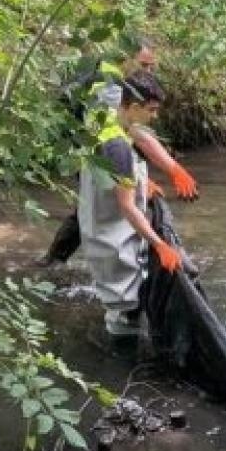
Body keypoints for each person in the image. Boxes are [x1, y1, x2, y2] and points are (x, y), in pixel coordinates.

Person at [40, 36, 199, 265]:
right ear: (126, 59)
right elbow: (127, 134)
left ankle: (66, 259)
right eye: (143, 65)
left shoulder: (125, 82)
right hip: (77, 142)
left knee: (108, 201)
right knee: (92, 203)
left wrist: (158, 173)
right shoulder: (108, 86)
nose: (148, 71)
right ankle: (54, 262)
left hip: (98, 139)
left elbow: (132, 130)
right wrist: (145, 176)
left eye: (151, 66)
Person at [78, 71, 184, 337]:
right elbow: (127, 207)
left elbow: (136, 142)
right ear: (133, 107)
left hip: (96, 224)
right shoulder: (120, 149)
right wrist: (160, 245)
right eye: (151, 110)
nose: (155, 116)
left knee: (112, 293)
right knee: (125, 308)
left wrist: (143, 182)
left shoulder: (102, 120)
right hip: (113, 237)